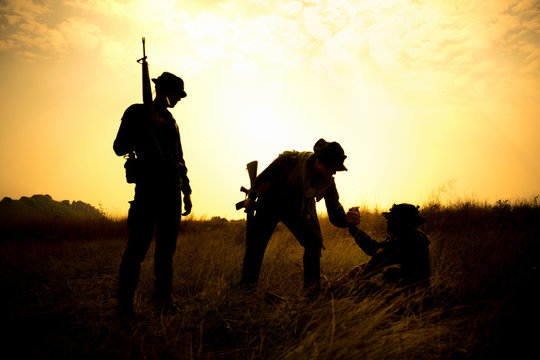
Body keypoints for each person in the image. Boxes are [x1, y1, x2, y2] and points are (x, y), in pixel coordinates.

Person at [113, 72, 192, 318]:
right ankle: (125, 307)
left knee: (166, 252)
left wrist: (186, 190)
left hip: (171, 193)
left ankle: (164, 301)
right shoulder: (136, 113)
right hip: (148, 190)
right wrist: (146, 128)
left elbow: (179, 158)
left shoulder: (171, 121)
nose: (179, 99)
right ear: (164, 90)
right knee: (136, 251)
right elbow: (119, 148)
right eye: (177, 94)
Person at [240, 138, 356, 298]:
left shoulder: (327, 182)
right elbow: (264, 178)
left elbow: (335, 212)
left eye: (336, 168)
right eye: (331, 167)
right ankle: (247, 290)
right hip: (270, 202)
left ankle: (312, 293)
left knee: (314, 244)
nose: (334, 172)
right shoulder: (289, 161)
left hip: (295, 209)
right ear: (319, 161)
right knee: (256, 245)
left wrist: (347, 220)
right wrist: (251, 197)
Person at [337, 203, 430, 293]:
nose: (387, 222)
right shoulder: (410, 236)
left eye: (391, 220)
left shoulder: (408, 240)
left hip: (405, 294)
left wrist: (353, 229)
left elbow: (375, 250)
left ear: (401, 222)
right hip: (411, 291)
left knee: (356, 288)